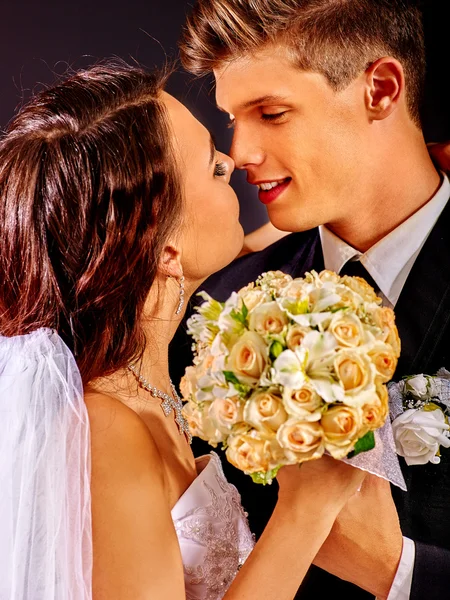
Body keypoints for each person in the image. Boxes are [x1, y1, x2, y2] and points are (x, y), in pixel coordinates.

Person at [0, 62, 366, 600]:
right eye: (215, 171)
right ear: (166, 247)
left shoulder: (148, 381)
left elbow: (246, 243)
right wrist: (304, 512)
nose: (235, 160)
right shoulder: (103, 431)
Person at [171, 1, 450, 599]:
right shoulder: (220, 313)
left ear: (380, 89)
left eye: (271, 113)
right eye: (231, 121)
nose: (240, 151)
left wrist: (399, 571)